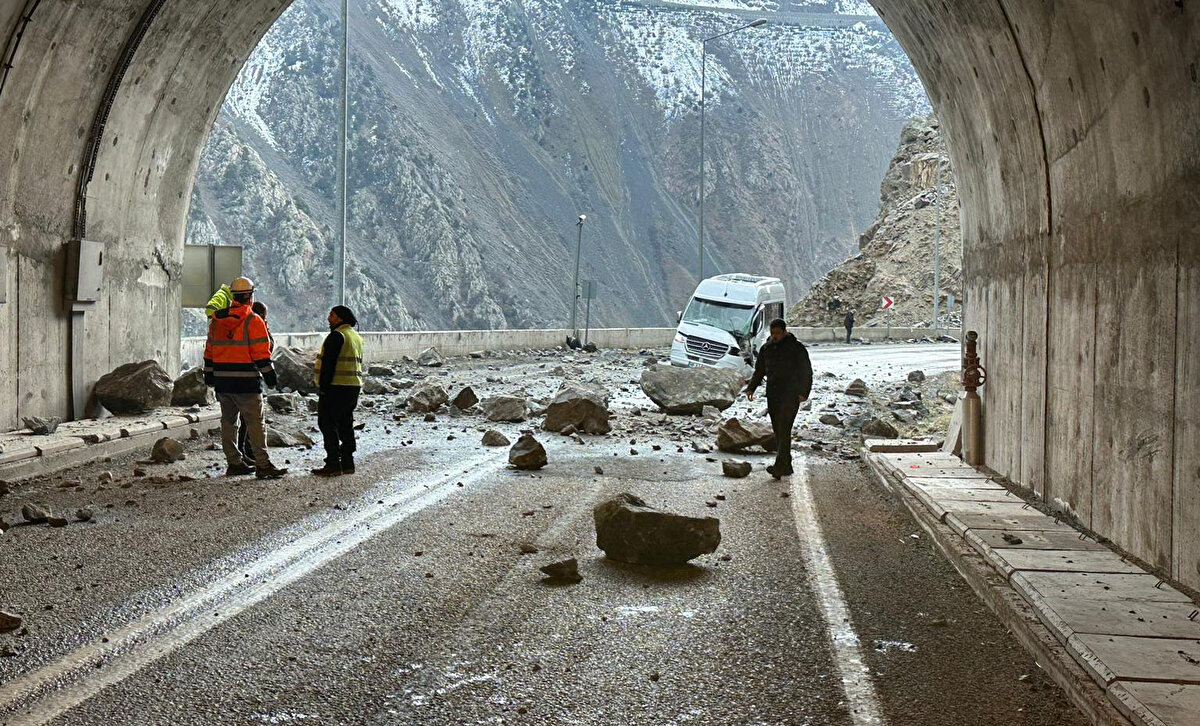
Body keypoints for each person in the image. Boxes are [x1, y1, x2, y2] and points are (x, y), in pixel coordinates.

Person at [203, 277, 288, 479]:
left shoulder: (218, 320)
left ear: (233, 296)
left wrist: (209, 374)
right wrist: (270, 376)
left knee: (229, 423)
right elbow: (261, 353)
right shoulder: (253, 320)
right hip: (247, 382)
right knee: (256, 424)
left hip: (223, 381)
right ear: (250, 296)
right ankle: (263, 464)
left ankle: (234, 463)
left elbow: (209, 351)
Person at [745, 319, 813, 480]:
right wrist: (751, 388)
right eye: (772, 333)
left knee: (784, 428)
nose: (775, 336)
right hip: (773, 395)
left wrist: (804, 392)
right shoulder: (766, 349)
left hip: (791, 394)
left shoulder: (796, 348)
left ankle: (779, 467)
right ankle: (787, 465)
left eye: (777, 333)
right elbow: (759, 371)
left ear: (784, 332)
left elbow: (806, 372)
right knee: (778, 430)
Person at [312, 305, 364, 476]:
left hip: (336, 386)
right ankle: (348, 462)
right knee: (345, 423)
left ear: (340, 318)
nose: (329, 318)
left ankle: (333, 463)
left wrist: (323, 388)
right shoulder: (355, 336)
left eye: (332, 315)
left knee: (327, 423)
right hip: (353, 386)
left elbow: (328, 365)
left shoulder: (337, 336)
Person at [236, 300, 274, 469]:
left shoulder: (241, 326)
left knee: (238, 421)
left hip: (234, 378)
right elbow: (267, 349)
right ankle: (247, 453)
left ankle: (242, 454)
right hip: (249, 379)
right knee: (251, 420)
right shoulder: (256, 328)